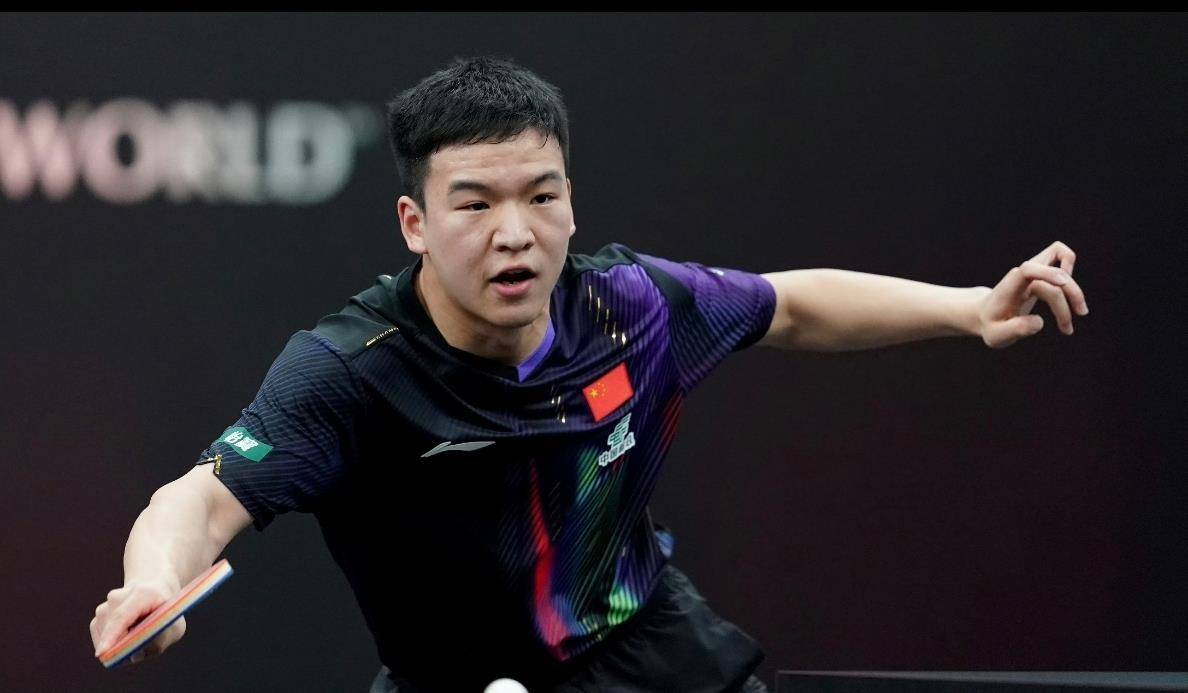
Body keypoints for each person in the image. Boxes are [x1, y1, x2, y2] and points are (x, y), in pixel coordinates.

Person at [88, 56, 1088, 692]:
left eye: (541, 195)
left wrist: (970, 307)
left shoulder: (631, 307)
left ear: (571, 200)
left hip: (649, 650)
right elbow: (201, 499)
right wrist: (152, 584)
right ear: (415, 223)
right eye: (474, 204)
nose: (514, 233)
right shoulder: (350, 371)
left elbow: (790, 304)